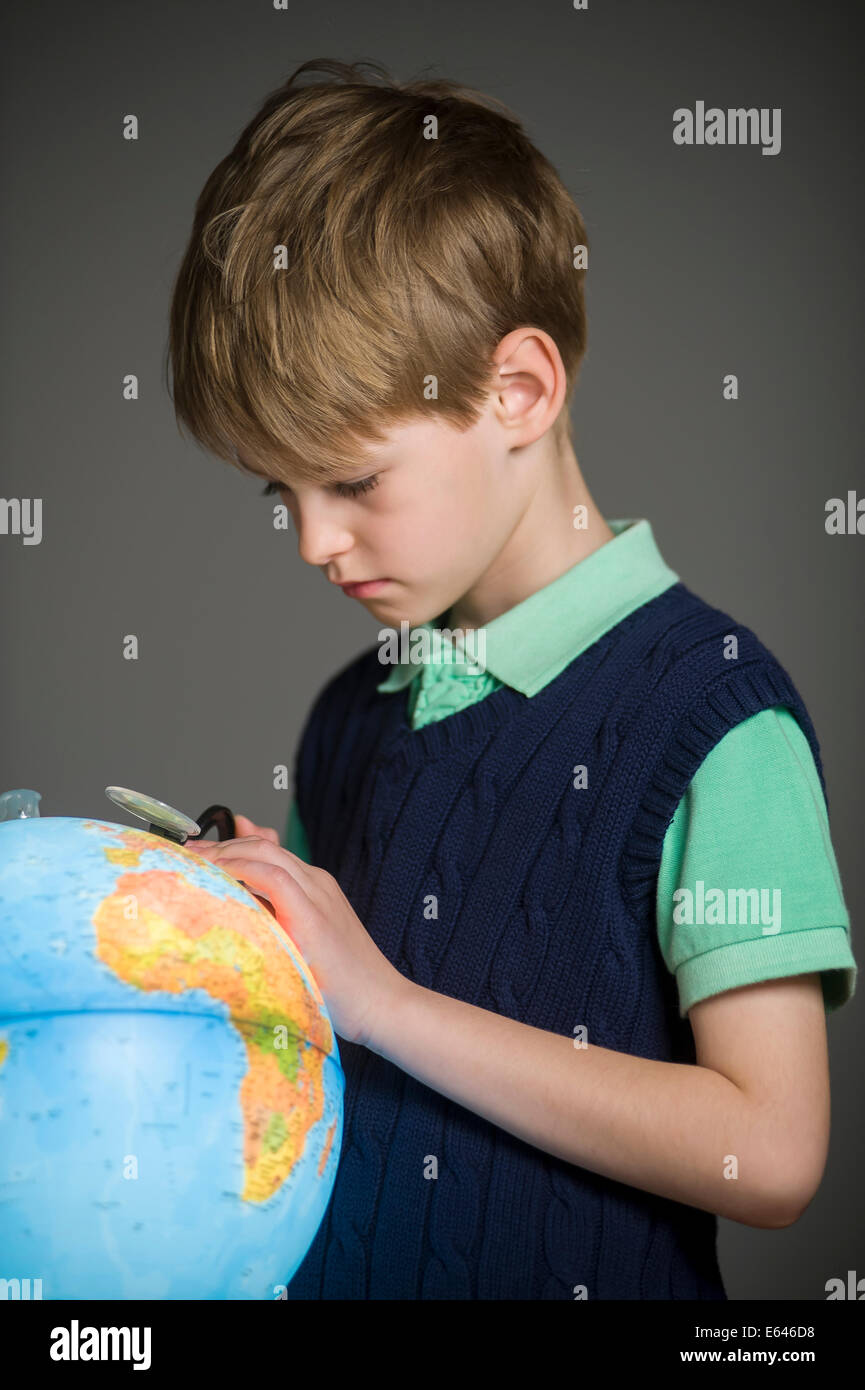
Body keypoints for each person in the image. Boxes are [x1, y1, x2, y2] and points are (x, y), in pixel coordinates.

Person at [169, 58, 856, 1299]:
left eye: (354, 482)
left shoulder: (711, 715)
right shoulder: (348, 713)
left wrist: (379, 1000)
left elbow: (773, 1149)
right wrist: (260, 942)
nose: (315, 542)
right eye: (284, 493)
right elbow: (320, 1070)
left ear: (518, 390)